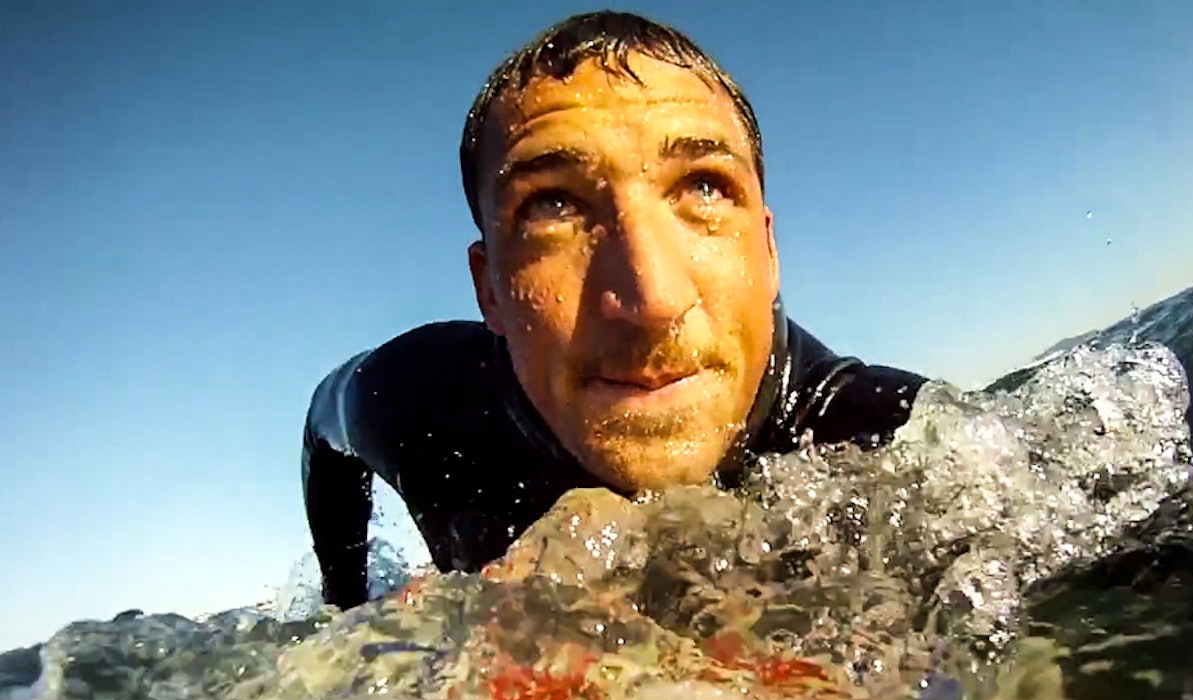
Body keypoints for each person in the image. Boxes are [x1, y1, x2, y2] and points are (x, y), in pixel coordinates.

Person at [301, 10, 928, 610]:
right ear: (489, 288)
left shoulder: (887, 442)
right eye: (552, 206)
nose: (653, 301)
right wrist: (347, 609)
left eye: (704, 187)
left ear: (768, 253)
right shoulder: (422, 402)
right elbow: (322, 425)